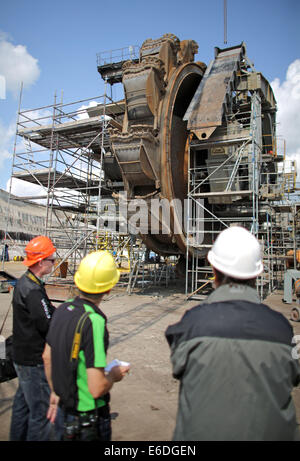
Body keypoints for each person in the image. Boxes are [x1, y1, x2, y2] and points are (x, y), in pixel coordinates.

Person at [165, 226, 300, 441]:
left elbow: (178, 363)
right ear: (257, 274)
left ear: (213, 270)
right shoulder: (283, 330)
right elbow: (294, 374)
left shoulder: (192, 324)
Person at [43, 250, 130, 441]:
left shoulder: (62, 309)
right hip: (88, 419)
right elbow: (97, 388)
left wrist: (55, 391)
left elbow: (47, 358)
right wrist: (114, 375)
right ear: (109, 287)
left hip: (63, 410)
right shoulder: (95, 321)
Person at [10, 235, 59, 441]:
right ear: (41, 262)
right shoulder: (32, 291)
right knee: (40, 414)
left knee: (22, 408)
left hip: (21, 358)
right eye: (52, 260)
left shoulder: (25, 282)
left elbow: (46, 311)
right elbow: (46, 323)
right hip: (33, 361)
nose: (54, 263)